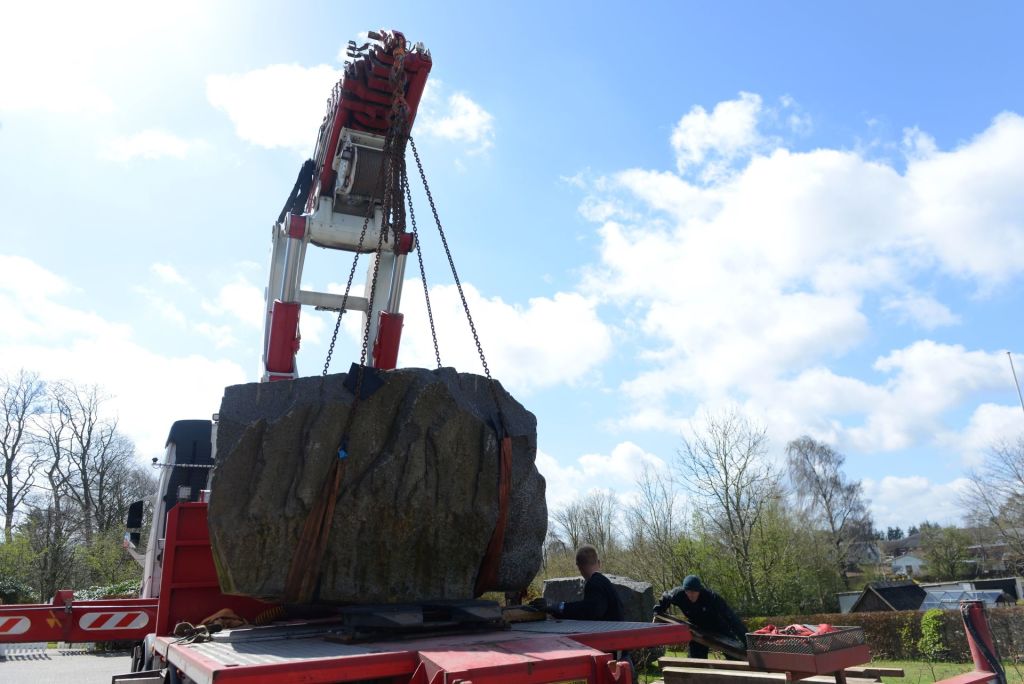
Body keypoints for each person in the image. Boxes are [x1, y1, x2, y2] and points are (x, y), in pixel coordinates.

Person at [654, 575, 747, 659]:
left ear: (699, 590)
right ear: (684, 590)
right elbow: (665, 598)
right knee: (695, 660)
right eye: (688, 592)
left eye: (694, 592)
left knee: (736, 655)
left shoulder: (711, 597)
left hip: (718, 626)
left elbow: (732, 619)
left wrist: (746, 640)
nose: (691, 595)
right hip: (697, 627)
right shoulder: (677, 594)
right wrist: (659, 609)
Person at [547, 544, 624, 621]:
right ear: (599, 562)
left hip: (610, 628)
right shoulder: (603, 582)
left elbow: (590, 611)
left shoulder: (594, 584)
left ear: (578, 566)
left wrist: (559, 607)